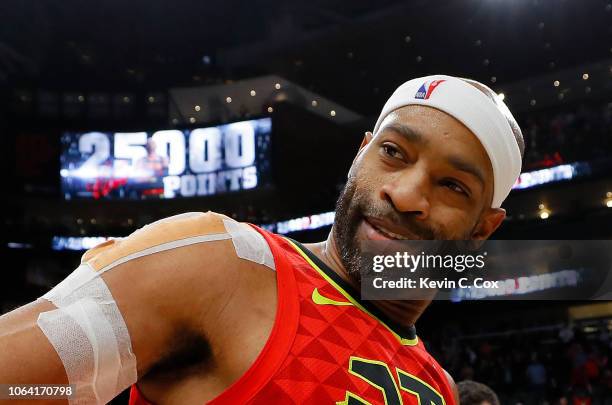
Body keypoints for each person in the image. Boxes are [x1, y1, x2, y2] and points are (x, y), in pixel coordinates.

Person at [0, 74, 524, 404]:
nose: (406, 194)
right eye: (393, 153)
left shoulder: (436, 388)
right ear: (360, 154)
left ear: (483, 227)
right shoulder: (217, 263)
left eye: (452, 185)